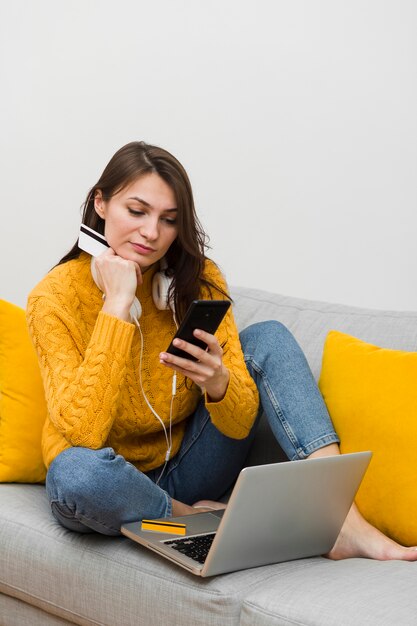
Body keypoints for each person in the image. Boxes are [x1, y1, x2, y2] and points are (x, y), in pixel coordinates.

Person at [27, 141, 417, 561]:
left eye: (169, 220)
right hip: (110, 484)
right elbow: (84, 434)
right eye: (137, 212)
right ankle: (196, 519)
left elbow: (237, 426)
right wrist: (117, 306)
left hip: (189, 467)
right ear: (101, 204)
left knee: (268, 336)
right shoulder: (54, 298)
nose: (152, 233)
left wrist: (218, 384)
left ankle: (343, 519)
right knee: (75, 473)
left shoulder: (198, 280)